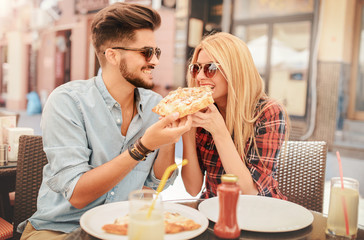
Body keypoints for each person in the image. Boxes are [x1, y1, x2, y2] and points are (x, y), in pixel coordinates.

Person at [19, 3, 191, 239]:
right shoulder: (68, 102)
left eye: (157, 52)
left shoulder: (156, 104)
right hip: (59, 230)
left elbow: (156, 183)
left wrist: (170, 138)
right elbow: (78, 195)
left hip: (121, 228)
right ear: (112, 54)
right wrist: (143, 147)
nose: (155, 61)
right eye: (146, 52)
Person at [181, 32, 289, 200]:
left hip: (260, 214)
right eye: (196, 68)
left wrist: (219, 131)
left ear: (235, 71)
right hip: (212, 209)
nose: (200, 77)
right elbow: (193, 188)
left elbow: (249, 192)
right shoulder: (202, 112)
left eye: (211, 68)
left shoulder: (268, 112)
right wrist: (188, 133)